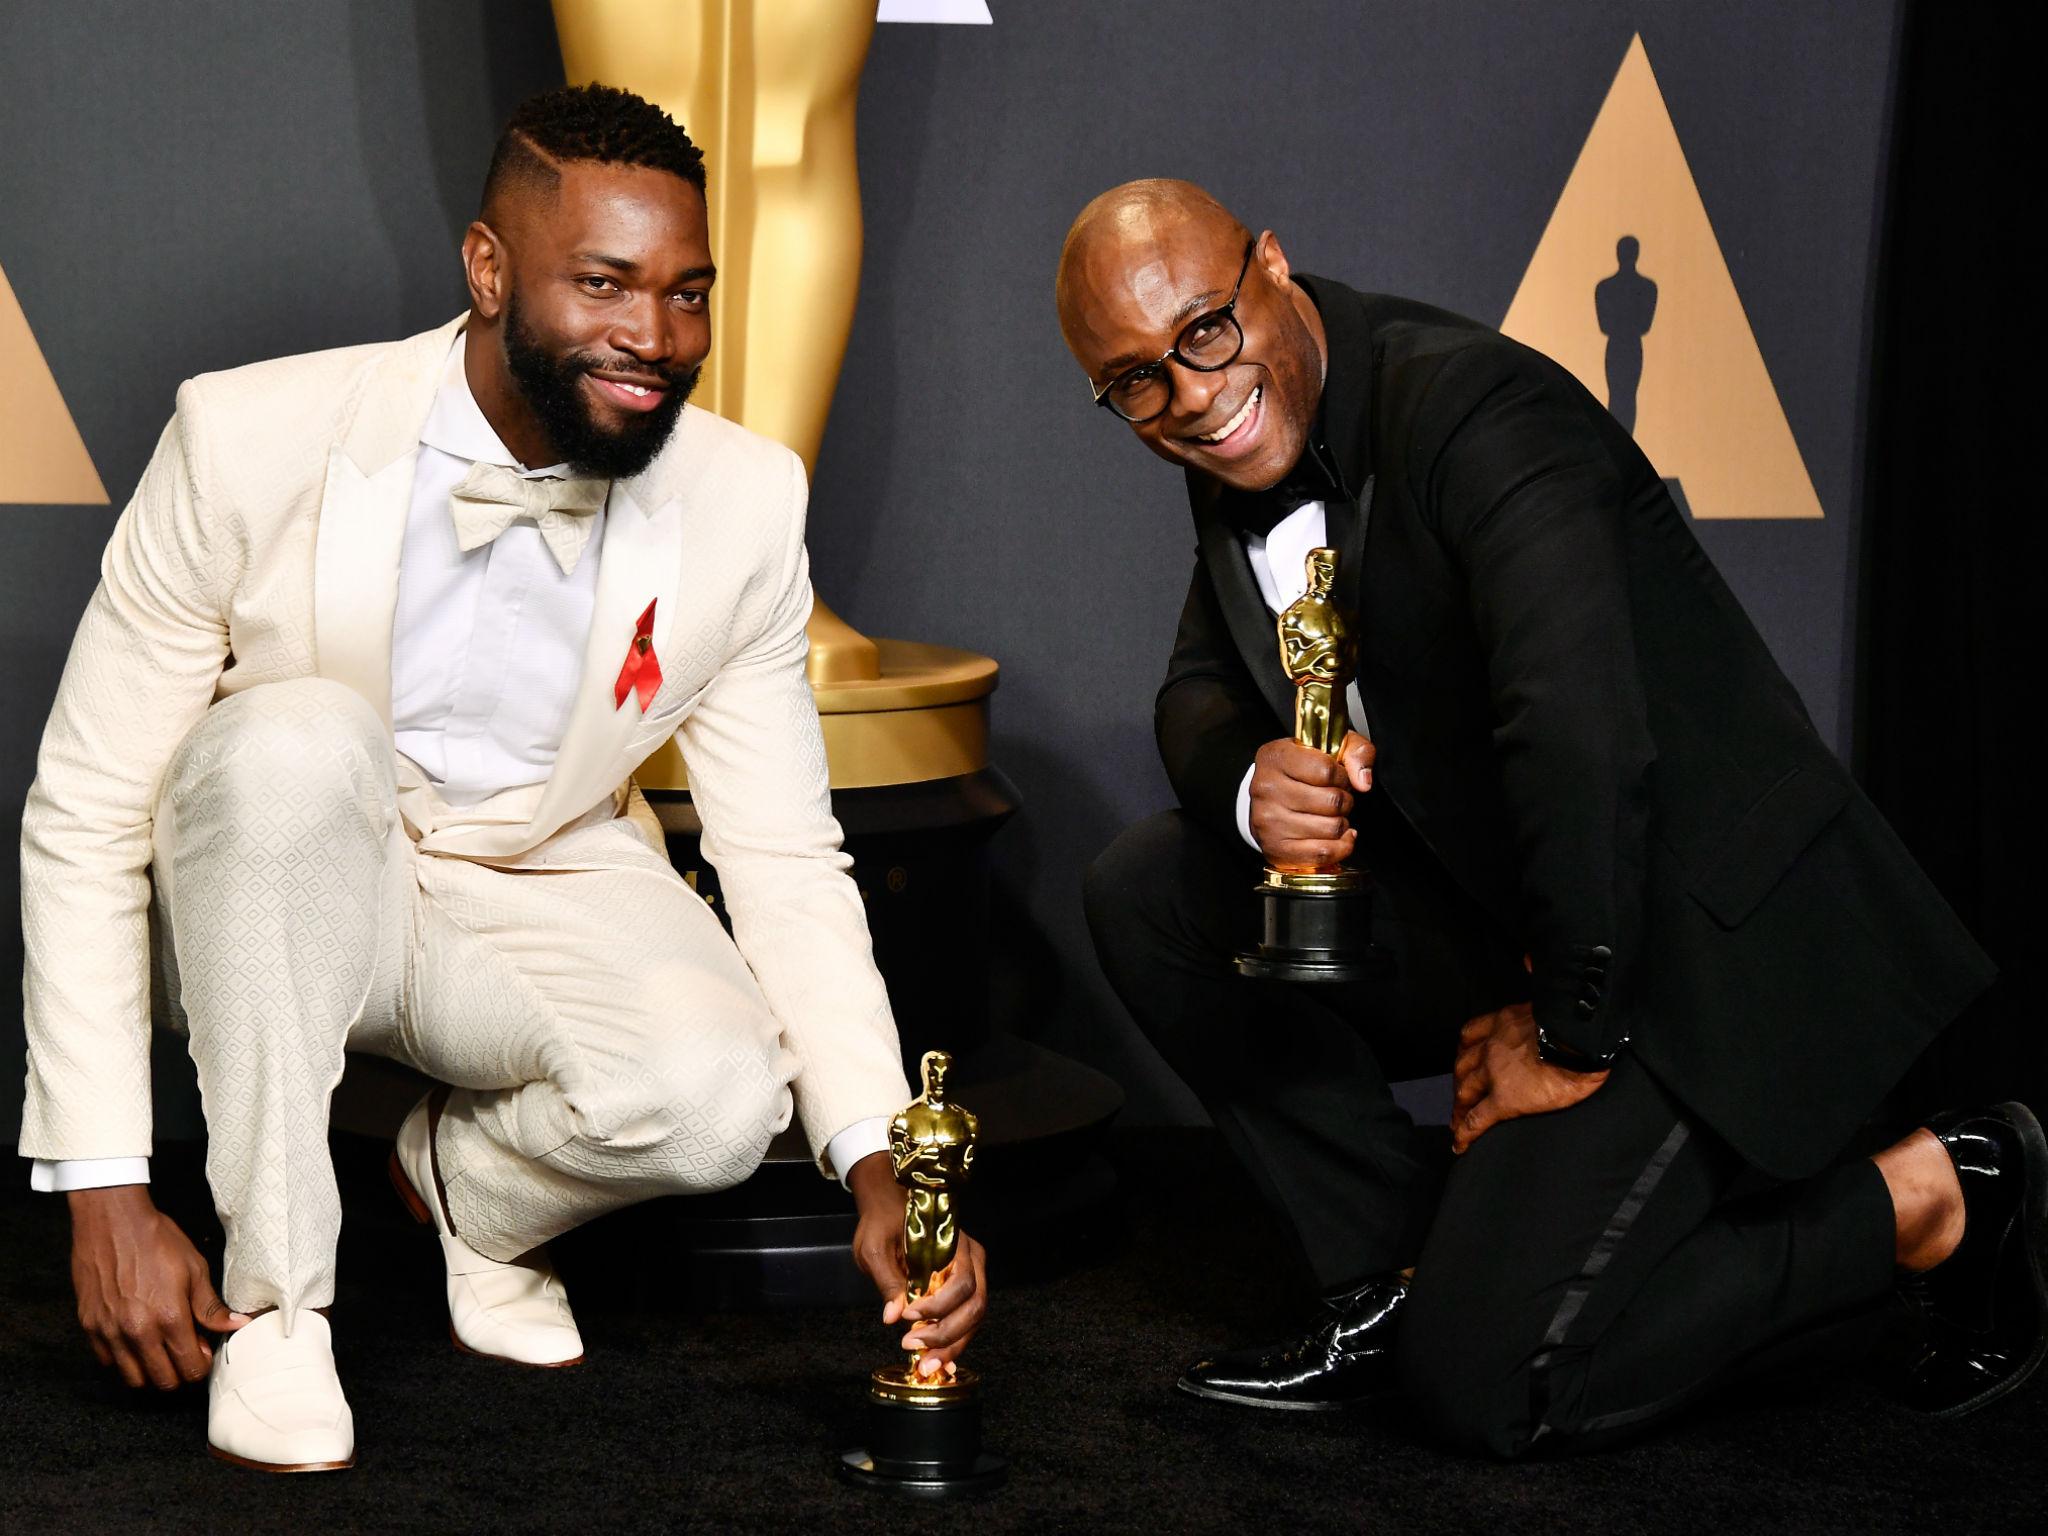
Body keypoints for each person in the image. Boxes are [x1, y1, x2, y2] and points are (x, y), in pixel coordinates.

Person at [17, 84, 987, 1474]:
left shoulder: (744, 499)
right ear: (487, 269)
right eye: (605, 284)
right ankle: (284, 1303)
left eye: (687, 294)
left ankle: (464, 1193)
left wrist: (883, 1166)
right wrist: (101, 1191)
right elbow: (89, 811)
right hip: (285, 871)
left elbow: (780, 855)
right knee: (297, 740)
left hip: (539, 871)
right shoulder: (247, 438)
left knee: (722, 1095)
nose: (656, 339)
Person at [1057, 178, 2036, 1455]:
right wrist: (1255, 784)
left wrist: (1566, 1036)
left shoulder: (1474, 408)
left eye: (1201, 333)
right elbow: (1198, 683)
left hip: (1695, 937)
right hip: (1511, 901)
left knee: (1490, 1385)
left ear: (1274, 268)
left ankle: (1930, 1194)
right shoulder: (1239, 429)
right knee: (1149, 889)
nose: (1187, 395)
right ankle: (1387, 1290)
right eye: (1133, 381)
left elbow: (1580, 742)